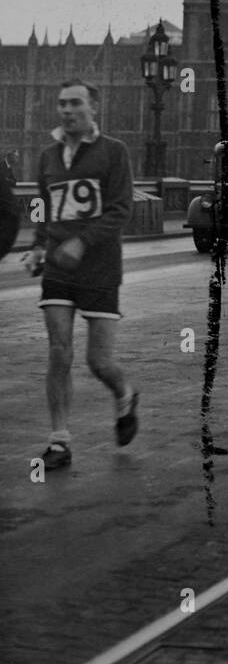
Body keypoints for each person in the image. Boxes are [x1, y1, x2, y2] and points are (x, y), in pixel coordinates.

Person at [23, 82, 138, 470]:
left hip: (100, 269)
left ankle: (124, 394)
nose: (67, 110)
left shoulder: (114, 152)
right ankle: (59, 441)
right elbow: (43, 206)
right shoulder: (48, 156)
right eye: (61, 104)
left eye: (75, 103)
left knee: (99, 362)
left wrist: (82, 243)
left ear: (93, 107)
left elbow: (121, 209)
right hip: (58, 267)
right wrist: (39, 245)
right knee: (59, 352)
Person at [0, 147, 20, 262]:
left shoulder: (9, 168)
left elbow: (14, 182)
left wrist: (8, 181)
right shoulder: (2, 165)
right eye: (16, 156)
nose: (17, 159)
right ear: (10, 156)